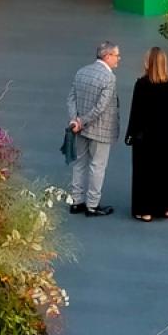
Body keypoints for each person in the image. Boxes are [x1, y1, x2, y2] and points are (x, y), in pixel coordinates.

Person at [125, 46, 168, 222]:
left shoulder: (142, 84)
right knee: (167, 171)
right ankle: (166, 206)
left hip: (146, 138)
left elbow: (136, 113)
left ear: (148, 63)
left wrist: (131, 135)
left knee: (145, 174)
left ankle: (146, 210)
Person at [66, 40, 121, 217]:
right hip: (100, 131)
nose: (119, 59)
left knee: (79, 164)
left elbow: (71, 98)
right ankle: (92, 205)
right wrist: (82, 121)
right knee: (97, 166)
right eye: (116, 55)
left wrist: (76, 120)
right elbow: (101, 107)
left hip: (80, 130)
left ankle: (76, 201)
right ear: (107, 56)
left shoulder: (81, 71)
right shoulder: (109, 78)